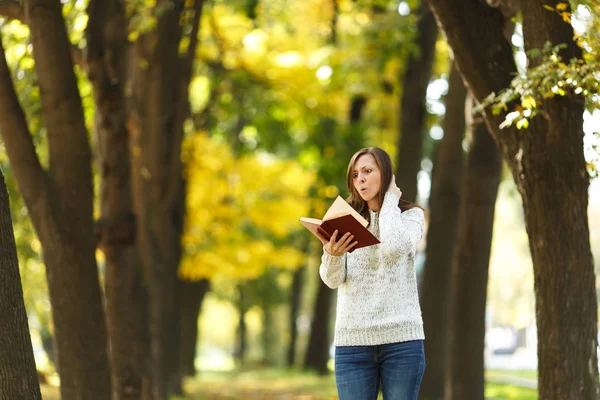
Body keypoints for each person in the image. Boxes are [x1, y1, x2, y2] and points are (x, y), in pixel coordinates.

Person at [315, 146, 426, 400]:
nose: (360, 179)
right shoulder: (345, 219)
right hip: (352, 345)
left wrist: (388, 201)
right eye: (355, 175)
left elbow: (394, 247)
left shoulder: (411, 216)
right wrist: (332, 254)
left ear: (385, 175)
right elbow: (332, 280)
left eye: (367, 171)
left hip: (402, 342)